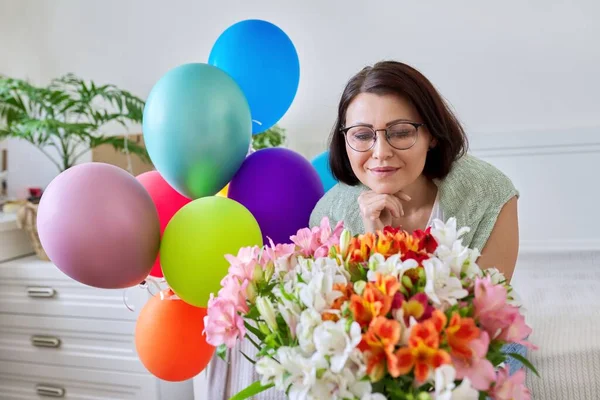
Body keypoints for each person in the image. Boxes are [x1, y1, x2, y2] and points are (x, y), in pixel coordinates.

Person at [309, 60, 519, 282]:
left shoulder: (488, 193)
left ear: (433, 135)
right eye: (362, 135)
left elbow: (490, 310)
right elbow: (343, 315)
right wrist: (376, 242)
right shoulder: (330, 217)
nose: (381, 152)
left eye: (400, 133)